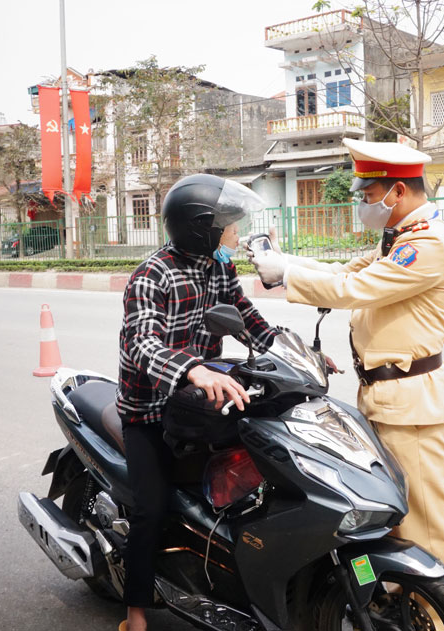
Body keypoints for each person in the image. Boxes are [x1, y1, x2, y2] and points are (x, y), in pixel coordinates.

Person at [249, 138, 444, 590]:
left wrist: (285, 274)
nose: (365, 206)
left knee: (424, 522)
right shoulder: (399, 239)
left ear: (398, 193)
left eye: (369, 196)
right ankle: (398, 606)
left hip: (411, 401)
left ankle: (441, 612)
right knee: (389, 516)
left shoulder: (425, 246)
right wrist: (282, 262)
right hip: (387, 395)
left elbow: (353, 292)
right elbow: (344, 273)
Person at [116, 174, 279, 631]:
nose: (235, 232)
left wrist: (290, 349)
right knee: (152, 507)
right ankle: (136, 613)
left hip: (199, 403)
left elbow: (246, 316)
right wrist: (192, 367)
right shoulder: (152, 275)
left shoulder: (218, 264)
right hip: (149, 409)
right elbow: (143, 342)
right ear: (200, 227)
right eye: (229, 225)